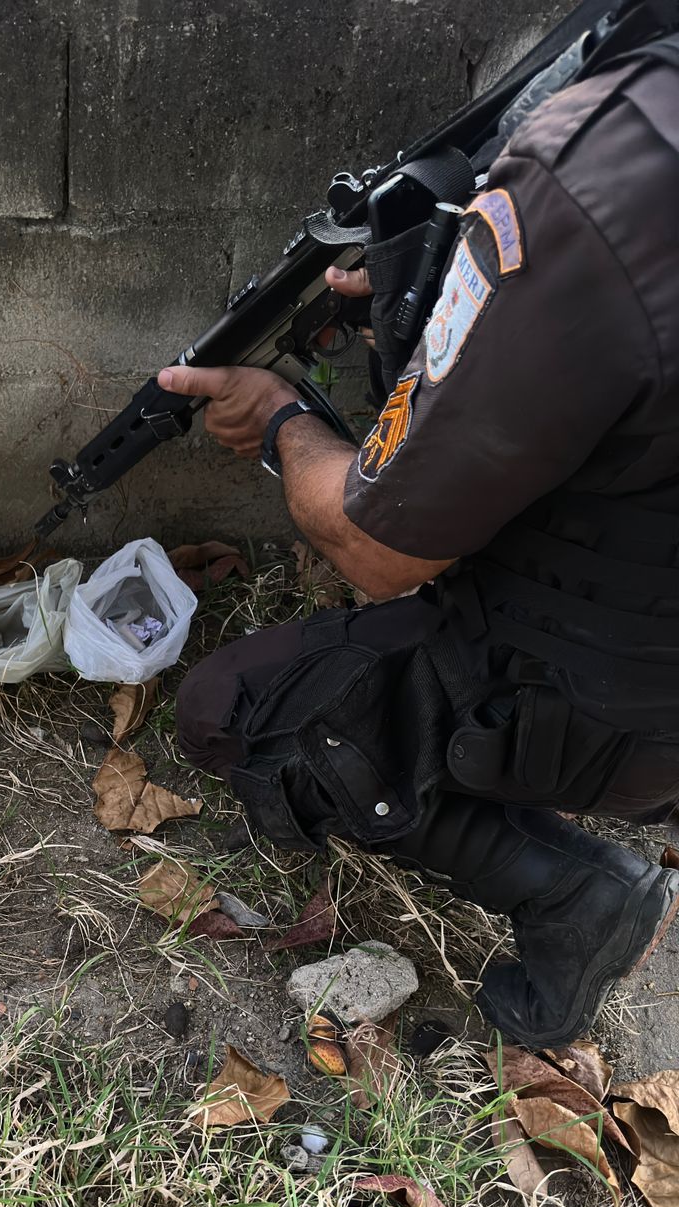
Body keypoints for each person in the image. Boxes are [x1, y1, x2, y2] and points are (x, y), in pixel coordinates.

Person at [161, 22, 679, 1048]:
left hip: (615, 690)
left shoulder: (602, 166)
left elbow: (378, 551)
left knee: (236, 710)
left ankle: (575, 891)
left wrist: (278, 422)